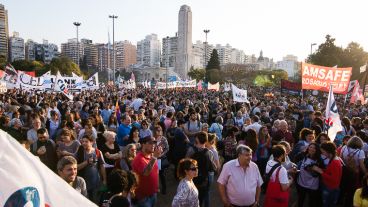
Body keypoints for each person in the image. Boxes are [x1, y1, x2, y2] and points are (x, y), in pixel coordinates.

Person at [186, 132, 217, 207]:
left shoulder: (191, 150)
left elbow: (185, 164)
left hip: (192, 180)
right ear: (206, 141)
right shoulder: (209, 153)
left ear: (196, 140)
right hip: (203, 181)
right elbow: (213, 168)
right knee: (201, 199)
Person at [132, 135, 163, 207]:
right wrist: (155, 157)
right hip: (143, 197)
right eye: (150, 143)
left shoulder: (151, 155)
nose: (153, 145)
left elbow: (156, 172)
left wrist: (156, 187)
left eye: (154, 142)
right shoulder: (139, 159)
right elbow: (146, 173)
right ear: (143, 144)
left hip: (153, 193)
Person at [76, 134, 107, 203]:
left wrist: (104, 180)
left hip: (96, 183)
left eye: (86, 141)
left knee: (95, 201)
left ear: (92, 142)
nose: (83, 143)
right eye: (83, 141)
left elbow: (102, 166)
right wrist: (87, 162)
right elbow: (76, 167)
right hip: (83, 183)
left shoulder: (98, 152)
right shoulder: (80, 151)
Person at [311, 141, 342, 207]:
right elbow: (330, 171)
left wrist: (321, 172)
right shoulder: (333, 159)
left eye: (323, 152)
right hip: (330, 187)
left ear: (329, 152)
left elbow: (334, 179)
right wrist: (321, 169)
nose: (323, 154)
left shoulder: (335, 162)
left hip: (331, 188)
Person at [340, 136, 366, 207]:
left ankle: (340, 201)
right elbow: (361, 164)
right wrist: (366, 173)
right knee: (352, 189)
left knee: (343, 186)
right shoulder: (360, 152)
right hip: (355, 172)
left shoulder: (344, 147)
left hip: (344, 171)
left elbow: (341, 159)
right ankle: (349, 203)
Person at [295, 143, 323, 207]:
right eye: (310, 147)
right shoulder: (304, 155)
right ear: (308, 148)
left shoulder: (319, 160)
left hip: (312, 185)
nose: (312, 149)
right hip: (301, 182)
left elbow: (321, 172)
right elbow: (296, 159)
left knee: (312, 202)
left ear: (317, 150)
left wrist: (313, 170)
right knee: (301, 200)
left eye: (314, 148)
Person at [153, 125, 169, 195]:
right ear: (155, 131)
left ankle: (164, 188)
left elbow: (167, 149)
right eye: (158, 130)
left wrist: (161, 155)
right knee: (154, 174)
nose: (160, 132)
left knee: (161, 174)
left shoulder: (164, 139)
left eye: (161, 130)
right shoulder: (152, 139)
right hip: (153, 159)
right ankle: (155, 187)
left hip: (160, 160)